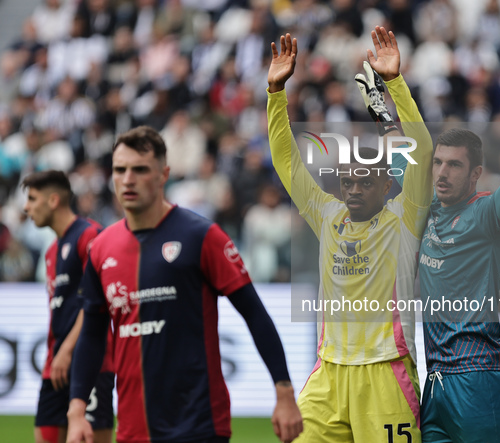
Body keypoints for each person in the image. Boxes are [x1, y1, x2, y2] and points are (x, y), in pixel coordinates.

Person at [65, 126, 303, 443]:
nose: (128, 179)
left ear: (164, 174)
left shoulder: (201, 236)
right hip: (134, 430)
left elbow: (254, 314)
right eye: (120, 170)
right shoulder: (101, 249)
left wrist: (284, 392)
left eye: (140, 170)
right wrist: (77, 410)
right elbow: (93, 335)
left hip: (199, 424)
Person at [267, 28, 433, 442]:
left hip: (386, 371)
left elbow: (423, 152)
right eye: (346, 182)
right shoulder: (327, 214)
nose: (354, 190)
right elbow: (286, 162)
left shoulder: (404, 216)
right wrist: (274, 93)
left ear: (386, 184)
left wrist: (395, 84)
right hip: (329, 372)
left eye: (364, 182)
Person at [389, 62, 500, 442]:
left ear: (475, 173)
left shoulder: (488, 215)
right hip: (435, 383)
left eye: (455, 165)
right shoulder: (427, 206)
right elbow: (401, 164)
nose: (442, 173)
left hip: (479, 381)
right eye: (438, 163)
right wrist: (385, 107)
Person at [22, 170, 114, 443]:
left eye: (32, 199)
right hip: (56, 365)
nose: (26, 207)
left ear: (53, 200)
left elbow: (97, 304)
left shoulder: (90, 236)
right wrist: (57, 353)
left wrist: (67, 349)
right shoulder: (51, 252)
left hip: (91, 365)